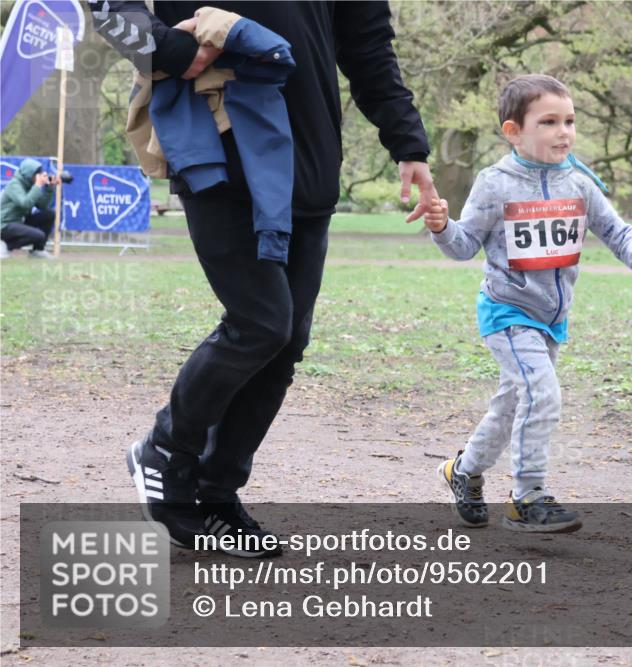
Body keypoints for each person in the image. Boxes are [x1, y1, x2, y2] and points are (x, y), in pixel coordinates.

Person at [90, 1, 436, 555]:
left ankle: (216, 495)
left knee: (287, 338)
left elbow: (368, 45)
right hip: (217, 140)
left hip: (310, 155)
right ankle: (166, 453)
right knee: (261, 322)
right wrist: (169, 48)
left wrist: (407, 142)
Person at [424, 74, 632, 533]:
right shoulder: (495, 184)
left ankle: (464, 471)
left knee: (514, 404)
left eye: (569, 121)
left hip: (550, 318)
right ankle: (527, 495)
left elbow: (616, 231)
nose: (564, 132)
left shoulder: (579, 182)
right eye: (549, 122)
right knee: (542, 394)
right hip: (506, 312)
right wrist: (441, 225)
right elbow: (462, 245)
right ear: (513, 130)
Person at [0, 158, 57, 259]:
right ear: (29, 175)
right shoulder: (14, 185)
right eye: (37, 174)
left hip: (19, 222)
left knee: (49, 214)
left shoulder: (30, 185)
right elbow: (25, 203)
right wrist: (38, 185)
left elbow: (42, 205)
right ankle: (5, 245)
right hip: (5, 225)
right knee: (39, 235)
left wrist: (49, 188)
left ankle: (38, 250)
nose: (40, 176)